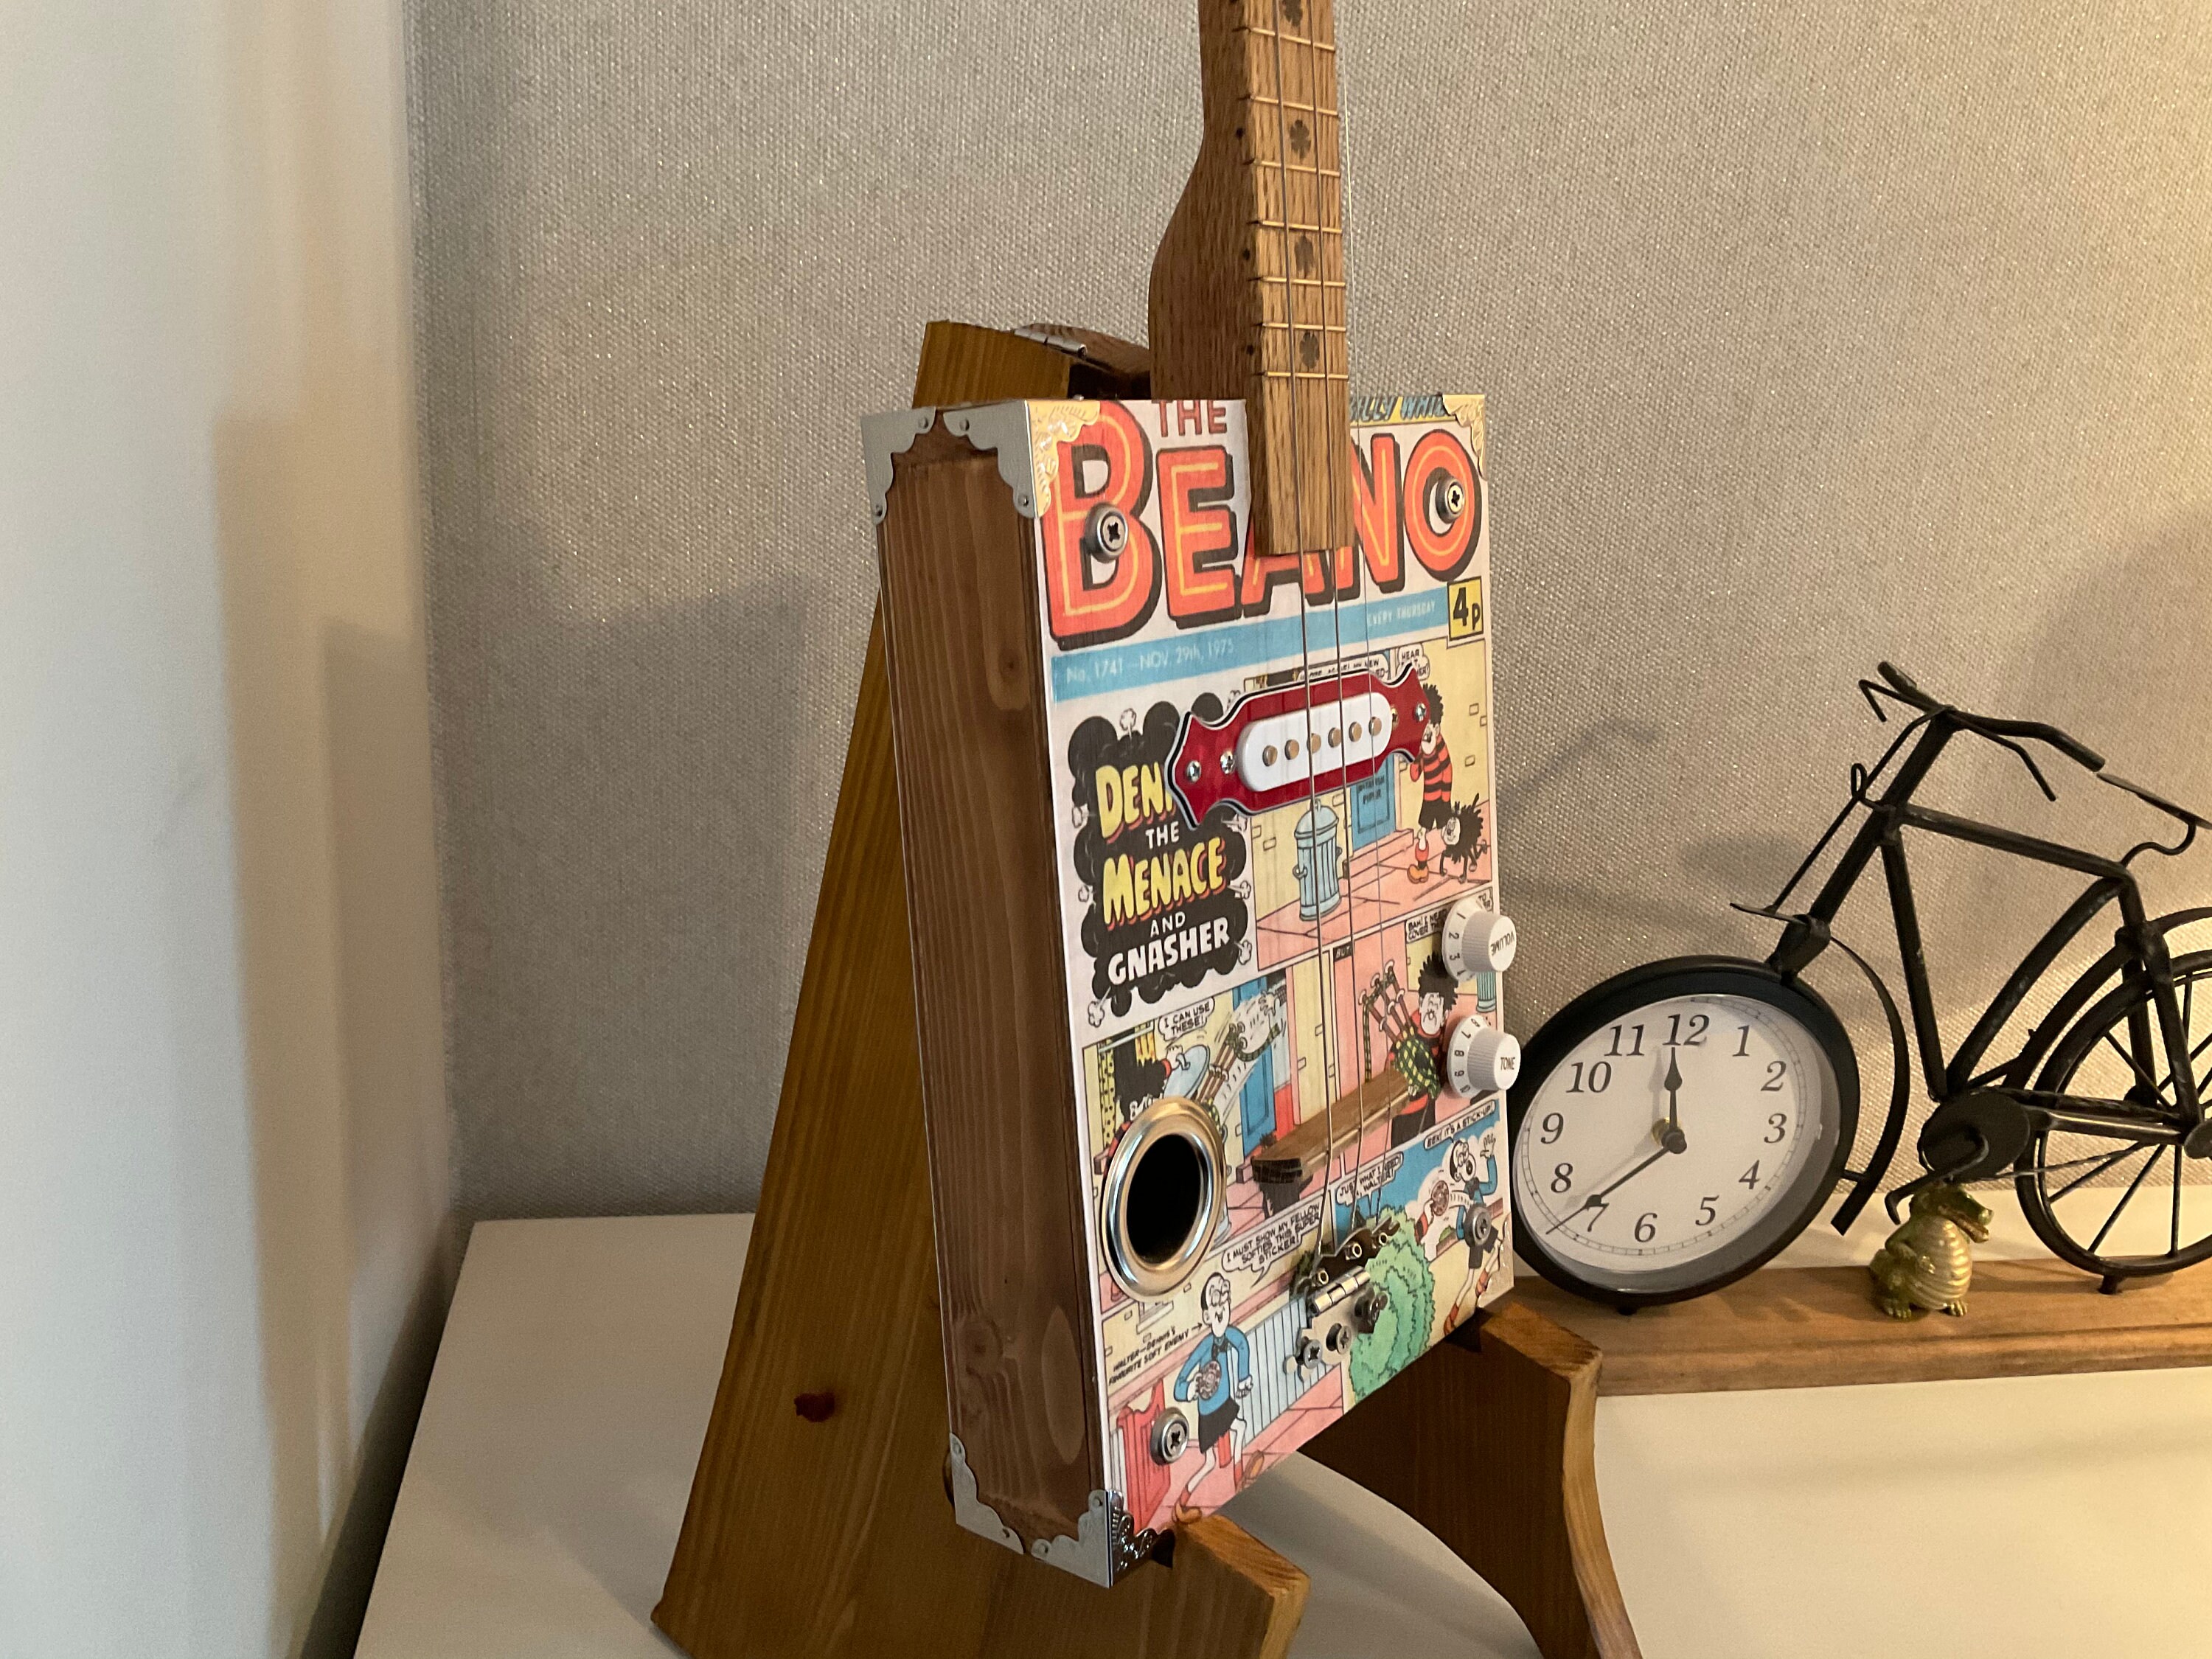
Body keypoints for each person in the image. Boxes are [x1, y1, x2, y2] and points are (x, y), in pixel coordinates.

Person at [1171, 1271, 1252, 1505]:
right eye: (1216, 1312)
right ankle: (1184, 1500)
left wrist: (1244, 1377)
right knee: (1209, 1462)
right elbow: (1179, 1384)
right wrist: (1191, 1388)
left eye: (1224, 1308)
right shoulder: (1205, 1346)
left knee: (1241, 1427)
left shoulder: (1229, 1336)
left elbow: (1243, 1346)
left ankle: (1239, 1476)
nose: (1221, 1314)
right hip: (1208, 1410)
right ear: (1207, 1316)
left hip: (1225, 1402)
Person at [1409, 684, 1453, 882]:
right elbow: (1415, 774)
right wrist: (1415, 762)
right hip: (1429, 799)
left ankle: (1456, 850)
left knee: (1446, 831)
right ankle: (1421, 868)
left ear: (1436, 728)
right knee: (1422, 833)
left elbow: (1448, 771)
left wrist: (1446, 799)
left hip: (1441, 799)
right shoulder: (1422, 750)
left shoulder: (1440, 745)